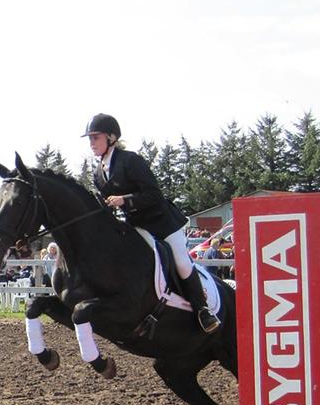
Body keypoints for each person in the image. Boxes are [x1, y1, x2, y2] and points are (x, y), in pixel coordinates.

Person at [83, 113, 219, 332]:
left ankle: (203, 310)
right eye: (89, 139)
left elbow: (153, 194)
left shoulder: (130, 160)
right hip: (136, 226)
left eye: (95, 138)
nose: (91, 143)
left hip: (161, 221)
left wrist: (124, 200)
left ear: (111, 137)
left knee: (182, 262)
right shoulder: (98, 173)